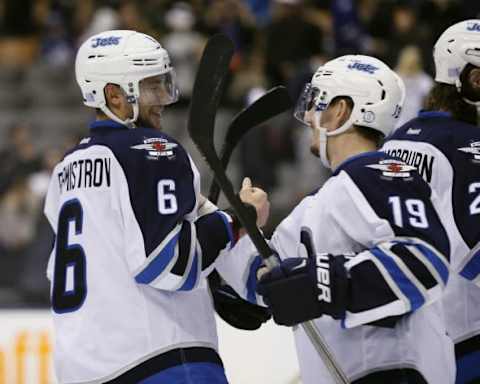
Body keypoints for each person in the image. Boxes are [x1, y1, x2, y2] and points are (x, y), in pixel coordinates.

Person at [43, 30, 269, 383]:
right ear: (114, 95)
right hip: (162, 360)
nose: (162, 98)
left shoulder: (65, 170)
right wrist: (240, 218)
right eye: (150, 87)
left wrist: (214, 266)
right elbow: (168, 265)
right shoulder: (151, 150)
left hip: (80, 368)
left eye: (163, 83)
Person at [219, 55, 455, 383]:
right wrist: (234, 225)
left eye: (316, 102)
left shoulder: (378, 173)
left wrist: (321, 282)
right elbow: (261, 286)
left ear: (341, 111)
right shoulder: (315, 206)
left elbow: (423, 261)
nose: (309, 117)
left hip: (395, 372)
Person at [382, 20, 480, 384]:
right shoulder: (468, 147)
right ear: (469, 78)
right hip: (470, 339)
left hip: (416, 344)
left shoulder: (397, 141)